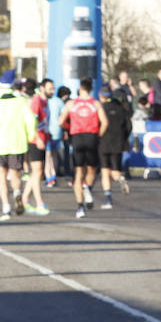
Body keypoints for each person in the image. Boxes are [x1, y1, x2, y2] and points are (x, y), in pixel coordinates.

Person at [0, 69, 34, 219]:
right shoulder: (20, 101)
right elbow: (30, 120)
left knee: (1, 176)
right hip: (17, 143)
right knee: (15, 174)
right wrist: (30, 136)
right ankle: (17, 193)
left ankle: (6, 207)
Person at [57, 77, 107, 218]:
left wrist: (69, 127)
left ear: (80, 89)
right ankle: (87, 188)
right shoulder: (95, 104)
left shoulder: (71, 104)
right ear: (91, 89)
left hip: (77, 137)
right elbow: (105, 122)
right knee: (92, 169)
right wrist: (98, 135)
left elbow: (61, 121)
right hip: (91, 136)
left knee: (78, 172)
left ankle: (80, 207)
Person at [97, 87, 131, 209]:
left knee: (105, 171)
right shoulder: (121, 109)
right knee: (116, 169)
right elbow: (129, 127)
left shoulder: (101, 109)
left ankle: (108, 199)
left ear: (100, 95)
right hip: (118, 143)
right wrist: (123, 138)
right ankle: (120, 178)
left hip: (103, 142)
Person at [20, 79, 51, 214]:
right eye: (50, 88)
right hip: (34, 140)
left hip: (43, 139)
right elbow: (32, 122)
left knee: (37, 172)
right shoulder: (37, 100)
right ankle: (39, 202)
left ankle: (24, 198)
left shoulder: (45, 102)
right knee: (37, 171)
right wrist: (38, 138)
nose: (52, 91)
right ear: (42, 88)